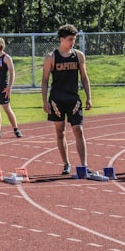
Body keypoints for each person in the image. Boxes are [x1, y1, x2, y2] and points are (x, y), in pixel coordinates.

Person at [41, 24, 93, 176]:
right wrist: (44, 101)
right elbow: (44, 80)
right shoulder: (51, 58)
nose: (73, 42)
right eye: (70, 39)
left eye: (74, 39)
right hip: (57, 99)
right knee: (60, 131)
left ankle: (83, 164)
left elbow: (84, 76)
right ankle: (66, 164)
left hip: (73, 98)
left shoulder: (78, 56)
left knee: (78, 129)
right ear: (62, 39)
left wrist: (89, 97)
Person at [0, 37, 22, 138]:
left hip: (3, 86)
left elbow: (12, 72)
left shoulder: (6, 57)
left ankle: (16, 129)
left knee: (7, 108)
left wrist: (9, 87)